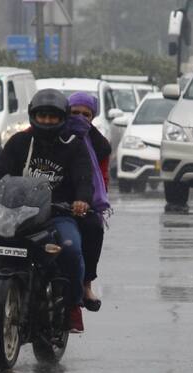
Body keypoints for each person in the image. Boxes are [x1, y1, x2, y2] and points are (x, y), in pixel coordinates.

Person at [0, 89, 94, 333]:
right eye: (42, 116)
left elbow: (84, 178)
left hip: (58, 214)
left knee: (70, 250)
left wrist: (81, 200)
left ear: (62, 118)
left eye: (52, 116)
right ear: (33, 116)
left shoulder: (74, 146)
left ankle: (72, 306)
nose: (47, 121)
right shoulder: (19, 142)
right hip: (17, 213)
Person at [67, 92, 112, 313]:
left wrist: (88, 201)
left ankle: (86, 285)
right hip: (44, 198)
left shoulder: (100, 144)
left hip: (82, 202)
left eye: (86, 114)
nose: (80, 117)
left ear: (93, 117)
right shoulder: (51, 132)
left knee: (94, 228)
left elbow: (101, 178)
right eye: (74, 112)